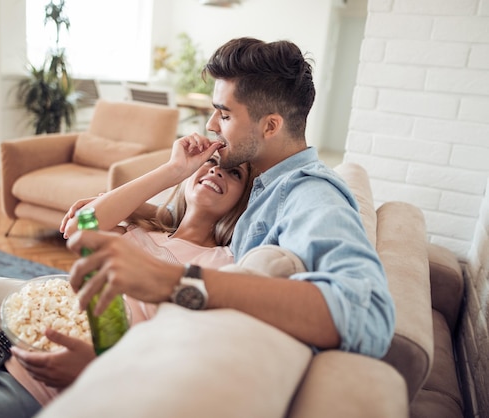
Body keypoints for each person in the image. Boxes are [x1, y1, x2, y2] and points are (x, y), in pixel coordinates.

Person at [0, 135, 254, 418]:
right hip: (1, 347)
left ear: (243, 199)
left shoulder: (220, 261)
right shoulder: (141, 227)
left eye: (233, 173)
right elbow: (81, 226)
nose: (216, 171)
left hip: (45, 389)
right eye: (211, 162)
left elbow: (181, 349)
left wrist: (98, 369)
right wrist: (172, 170)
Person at [65, 37, 396, 357]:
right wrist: (146, 207)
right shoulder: (266, 185)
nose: (211, 125)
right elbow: (197, 227)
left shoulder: (311, 196)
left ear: (270, 126)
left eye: (224, 115)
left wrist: (173, 280)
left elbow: (368, 318)